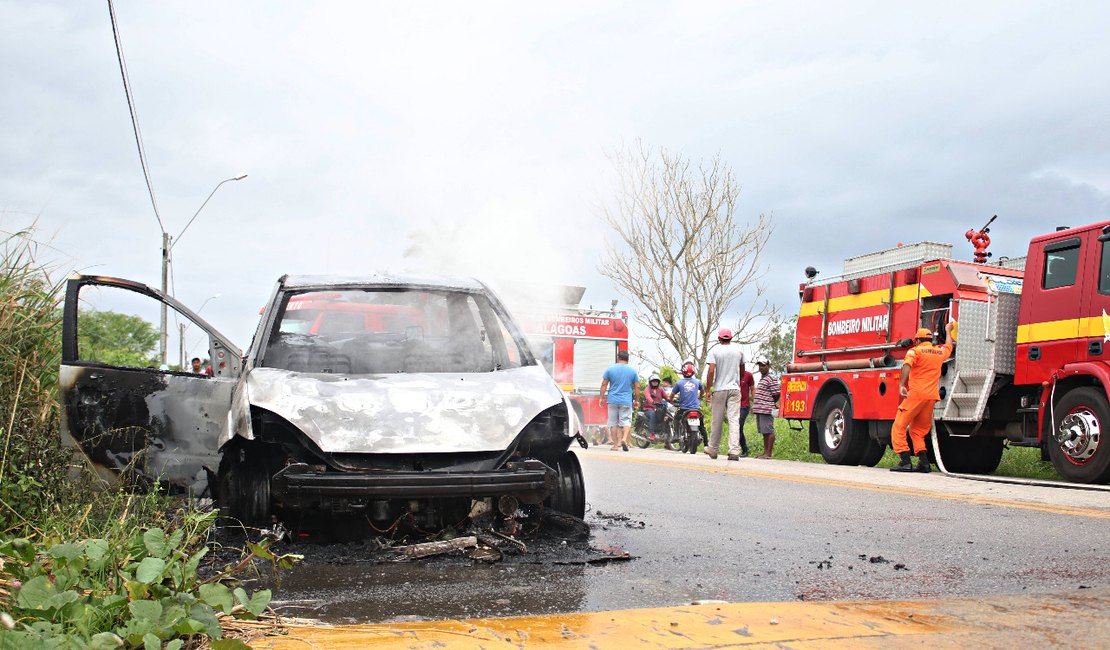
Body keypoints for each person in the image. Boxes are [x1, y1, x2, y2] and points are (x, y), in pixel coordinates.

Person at [890, 323, 956, 472]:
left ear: (918, 340)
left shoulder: (915, 352)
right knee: (918, 431)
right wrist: (947, 331)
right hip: (931, 397)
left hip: (916, 395)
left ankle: (905, 460)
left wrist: (902, 384)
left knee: (899, 426)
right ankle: (924, 463)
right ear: (930, 340)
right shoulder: (938, 352)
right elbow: (948, 347)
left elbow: (907, 365)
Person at [705, 327, 744, 460]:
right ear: (731, 338)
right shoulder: (738, 351)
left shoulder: (715, 351)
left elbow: (711, 371)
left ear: (719, 338)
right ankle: (734, 451)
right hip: (735, 389)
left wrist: (707, 389)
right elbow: (742, 368)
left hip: (720, 389)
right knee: (734, 420)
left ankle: (713, 449)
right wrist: (738, 381)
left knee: (717, 420)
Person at [599, 350, 640, 452]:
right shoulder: (632, 370)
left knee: (613, 423)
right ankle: (624, 439)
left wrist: (601, 397)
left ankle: (615, 446)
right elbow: (637, 386)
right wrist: (636, 400)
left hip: (612, 399)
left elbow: (604, 384)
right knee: (626, 421)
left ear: (618, 357)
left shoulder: (610, 369)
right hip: (626, 400)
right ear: (627, 359)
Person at [670, 361, 705, 451]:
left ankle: (676, 435)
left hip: (683, 409)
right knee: (702, 426)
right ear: (693, 372)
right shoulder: (698, 382)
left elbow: (672, 395)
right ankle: (706, 443)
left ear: (683, 372)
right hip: (696, 408)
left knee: (676, 418)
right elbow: (702, 391)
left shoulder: (679, 383)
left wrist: (671, 401)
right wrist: (699, 398)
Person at [751, 359, 780, 458]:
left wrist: (772, 402)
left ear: (768, 366)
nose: (761, 368)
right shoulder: (763, 378)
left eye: (763, 365)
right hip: (760, 408)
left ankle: (768, 453)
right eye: (759, 366)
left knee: (769, 431)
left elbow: (776, 393)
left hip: (766, 408)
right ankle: (765, 453)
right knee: (764, 432)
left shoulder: (771, 377)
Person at [642, 374, 668, 443]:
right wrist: (652, 402)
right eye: (653, 381)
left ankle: (664, 432)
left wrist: (673, 400)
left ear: (658, 382)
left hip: (658, 409)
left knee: (667, 414)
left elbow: (666, 397)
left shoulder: (660, 389)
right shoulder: (647, 389)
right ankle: (652, 434)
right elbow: (648, 397)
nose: (655, 382)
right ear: (650, 382)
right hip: (648, 408)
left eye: (656, 381)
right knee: (653, 414)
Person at [737, 362, 755, 457]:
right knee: (736, 428)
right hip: (733, 406)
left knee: (739, 426)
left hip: (744, 406)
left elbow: (752, 389)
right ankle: (743, 449)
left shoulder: (748, 375)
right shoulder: (732, 375)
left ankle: (743, 449)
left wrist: (754, 403)